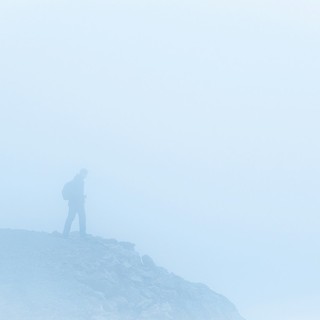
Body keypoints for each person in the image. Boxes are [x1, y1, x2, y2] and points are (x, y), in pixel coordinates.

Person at [62, 169, 88, 238]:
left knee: (73, 218)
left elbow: (77, 192)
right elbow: (76, 193)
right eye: (85, 174)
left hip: (76, 203)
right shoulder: (77, 181)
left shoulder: (79, 181)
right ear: (82, 173)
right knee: (77, 218)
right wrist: (81, 196)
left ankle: (65, 234)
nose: (85, 176)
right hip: (75, 203)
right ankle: (82, 235)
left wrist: (82, 197)